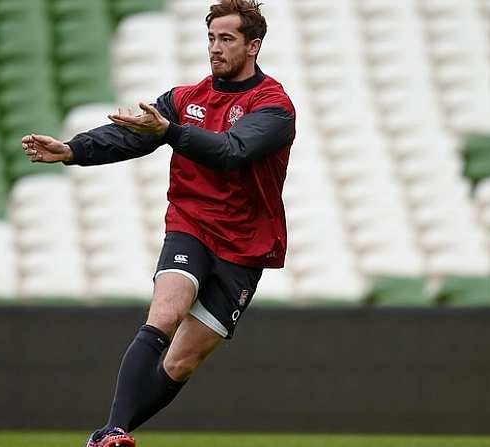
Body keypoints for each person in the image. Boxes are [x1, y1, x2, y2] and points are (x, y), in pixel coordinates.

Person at [22, 1, 295, 446]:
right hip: (191, 223)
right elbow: (129, 136)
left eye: (226, 39)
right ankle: (113, 434)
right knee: (164, 315)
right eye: (211, 38)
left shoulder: (273, 107)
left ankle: (106, 435)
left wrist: (167, 131)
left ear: (253, 46)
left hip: (245, 245)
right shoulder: (184, 99)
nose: (215, 48)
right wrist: (72, 150)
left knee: (181, 362)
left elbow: (231, 151)